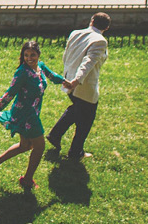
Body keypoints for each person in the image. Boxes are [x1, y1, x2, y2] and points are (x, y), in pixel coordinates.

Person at [0, 40, 67, 191]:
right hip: (26, 115)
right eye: (26, 55)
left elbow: (52, 75)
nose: (29, 58)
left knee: (25, 145)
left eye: (32, 55)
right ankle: (27, 180)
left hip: (32, 112)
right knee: (39, 146)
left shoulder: (40, 67)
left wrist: (65, 82)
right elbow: (9, 94)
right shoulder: (22, 73)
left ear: (38, 54)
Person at [47, 12, 110, 161]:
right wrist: (76, 80)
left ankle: (55, 135)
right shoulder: (100, 41)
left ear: (92, 21)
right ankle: (75, 152)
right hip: (83, 85)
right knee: (86, 120)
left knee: (77, 110)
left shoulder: (75, 33)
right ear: (106, 28)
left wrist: (69, 76)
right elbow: (88, 62)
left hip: (70, 81)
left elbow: (66, 55)